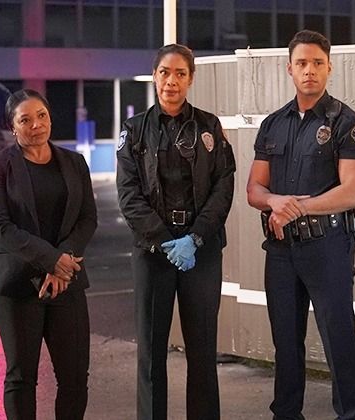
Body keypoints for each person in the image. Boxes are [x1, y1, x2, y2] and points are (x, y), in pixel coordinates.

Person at [247, 30, 355, 420]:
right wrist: (274, 201)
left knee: (338, 337)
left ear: (329, 67)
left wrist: (298, 207)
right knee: (285, 341)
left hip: (328, 246)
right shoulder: (273, 124)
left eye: (318, 63)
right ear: (289, 69)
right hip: (281, 250)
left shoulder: (347, 124)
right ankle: (286, 413)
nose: (309, 70)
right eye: (301, 63)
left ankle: (351, 414)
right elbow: (254, 189)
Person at [116, 44, 236, 420]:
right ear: (155, 76)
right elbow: (128, 194)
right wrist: (165, 240)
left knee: (202, 350)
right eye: (165, 72)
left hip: (200, 249)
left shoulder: (209, 126)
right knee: (152, 352)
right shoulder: (134, 130)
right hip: (154, 251)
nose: (172, 81)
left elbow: (223, 187)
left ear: (190, 79)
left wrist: (196, 237)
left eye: (180, 73)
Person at [0, 89, 97, 420]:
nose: (36, 125)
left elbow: (88, 219)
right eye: (25, 120)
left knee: (75, 378)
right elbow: (0, 226)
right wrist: (52, 260)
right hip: (17, 284)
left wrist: (63, 261)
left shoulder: (74, 162)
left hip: (67, 282)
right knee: (21, 378)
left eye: (42, 115)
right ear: (13, 127)